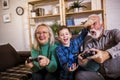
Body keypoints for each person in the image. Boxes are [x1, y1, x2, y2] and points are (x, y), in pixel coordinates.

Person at [76, 14, 120, 80]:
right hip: (100, 76)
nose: (91, 27)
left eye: (94, 23)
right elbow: (86, 60)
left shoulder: (114, 33)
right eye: (89, 24)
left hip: (118, 74)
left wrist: (107, 54)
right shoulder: (89, 43)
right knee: (79, 75)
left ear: (102, 24)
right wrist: (83, 61)